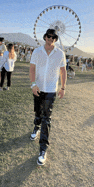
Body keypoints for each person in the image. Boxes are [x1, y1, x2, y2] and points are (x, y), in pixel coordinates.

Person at [29, 29, 66, 166]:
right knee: (38, 112)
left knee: (47, 117)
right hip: (38, 87)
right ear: (44, 37)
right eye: (48, 36)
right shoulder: (37, 51)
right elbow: (32, 69)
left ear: (55, 39)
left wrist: (63, 87)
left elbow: (63, 71)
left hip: (51, 90)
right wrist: (33, 84)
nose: (50, 38)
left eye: (53, 37)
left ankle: (43, 149)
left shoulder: (60, 53)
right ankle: (36, 126)